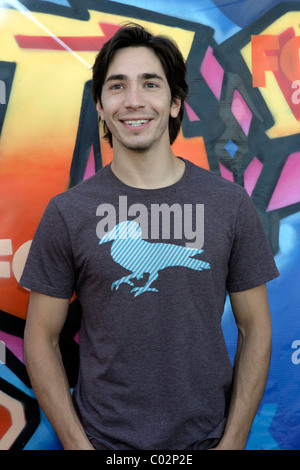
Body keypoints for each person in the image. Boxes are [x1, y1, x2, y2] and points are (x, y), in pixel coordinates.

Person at [20, 24, 279, 450]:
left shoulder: (229, 204)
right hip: (104, 445)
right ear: (100, 106)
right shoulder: (68, 212)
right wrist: (77, 445)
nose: (134, 100)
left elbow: (256, 329)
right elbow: (41, 338)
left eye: (150, 84)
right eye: (117, 86)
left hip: (205, 442)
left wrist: (233, 443)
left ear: (175, 102)